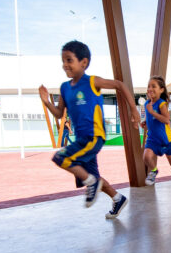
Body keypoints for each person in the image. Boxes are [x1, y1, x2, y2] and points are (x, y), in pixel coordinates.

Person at [39, 40, 140, 219]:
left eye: (69, 60)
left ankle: (91, 183)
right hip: (81, 140)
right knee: (93, 176)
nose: (65, 65)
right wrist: (46, 101)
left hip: (94, 136)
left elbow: (119, 85)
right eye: (63, 61)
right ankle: (118, 198)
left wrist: (133, 110)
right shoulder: (64, 88)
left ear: (83, 62)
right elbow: (59, 114)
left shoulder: (92, 81)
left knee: (60, 157)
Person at [142, 76, 171, 194]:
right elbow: (150, 117)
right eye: (149, 86)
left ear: (161, 90)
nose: (150, 89)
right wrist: (145, 121)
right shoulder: (147, 104)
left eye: (153, 86)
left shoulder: (162, 104)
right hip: (152, 139)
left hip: (165, 140)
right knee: (146, 157)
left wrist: (152, 112)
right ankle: (154, 170)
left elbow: (166, 120)